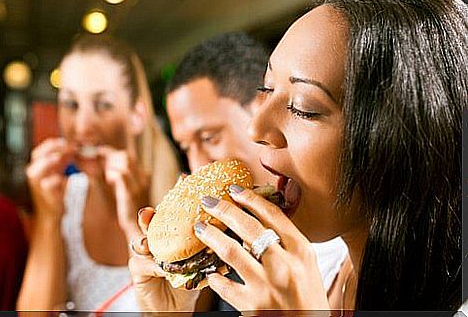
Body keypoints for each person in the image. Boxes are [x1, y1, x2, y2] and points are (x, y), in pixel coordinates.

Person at [129, 0, 465, 312]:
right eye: (267, 89)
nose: (255, 128)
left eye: (303, 107)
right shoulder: (306, 272)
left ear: (399, 141)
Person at [129, 32, 348, 312]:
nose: (198, 166)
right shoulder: (228, 259)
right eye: (185, 148)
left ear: (262, 109)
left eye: (210, 138)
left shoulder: (348, 247)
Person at [16, 35, 180, 312]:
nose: (82, 126)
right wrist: (48, 217)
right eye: (71, 104)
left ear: (136, 115)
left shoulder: (179, 196)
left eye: (103, 105)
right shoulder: (66, 196)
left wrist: (137, 223)